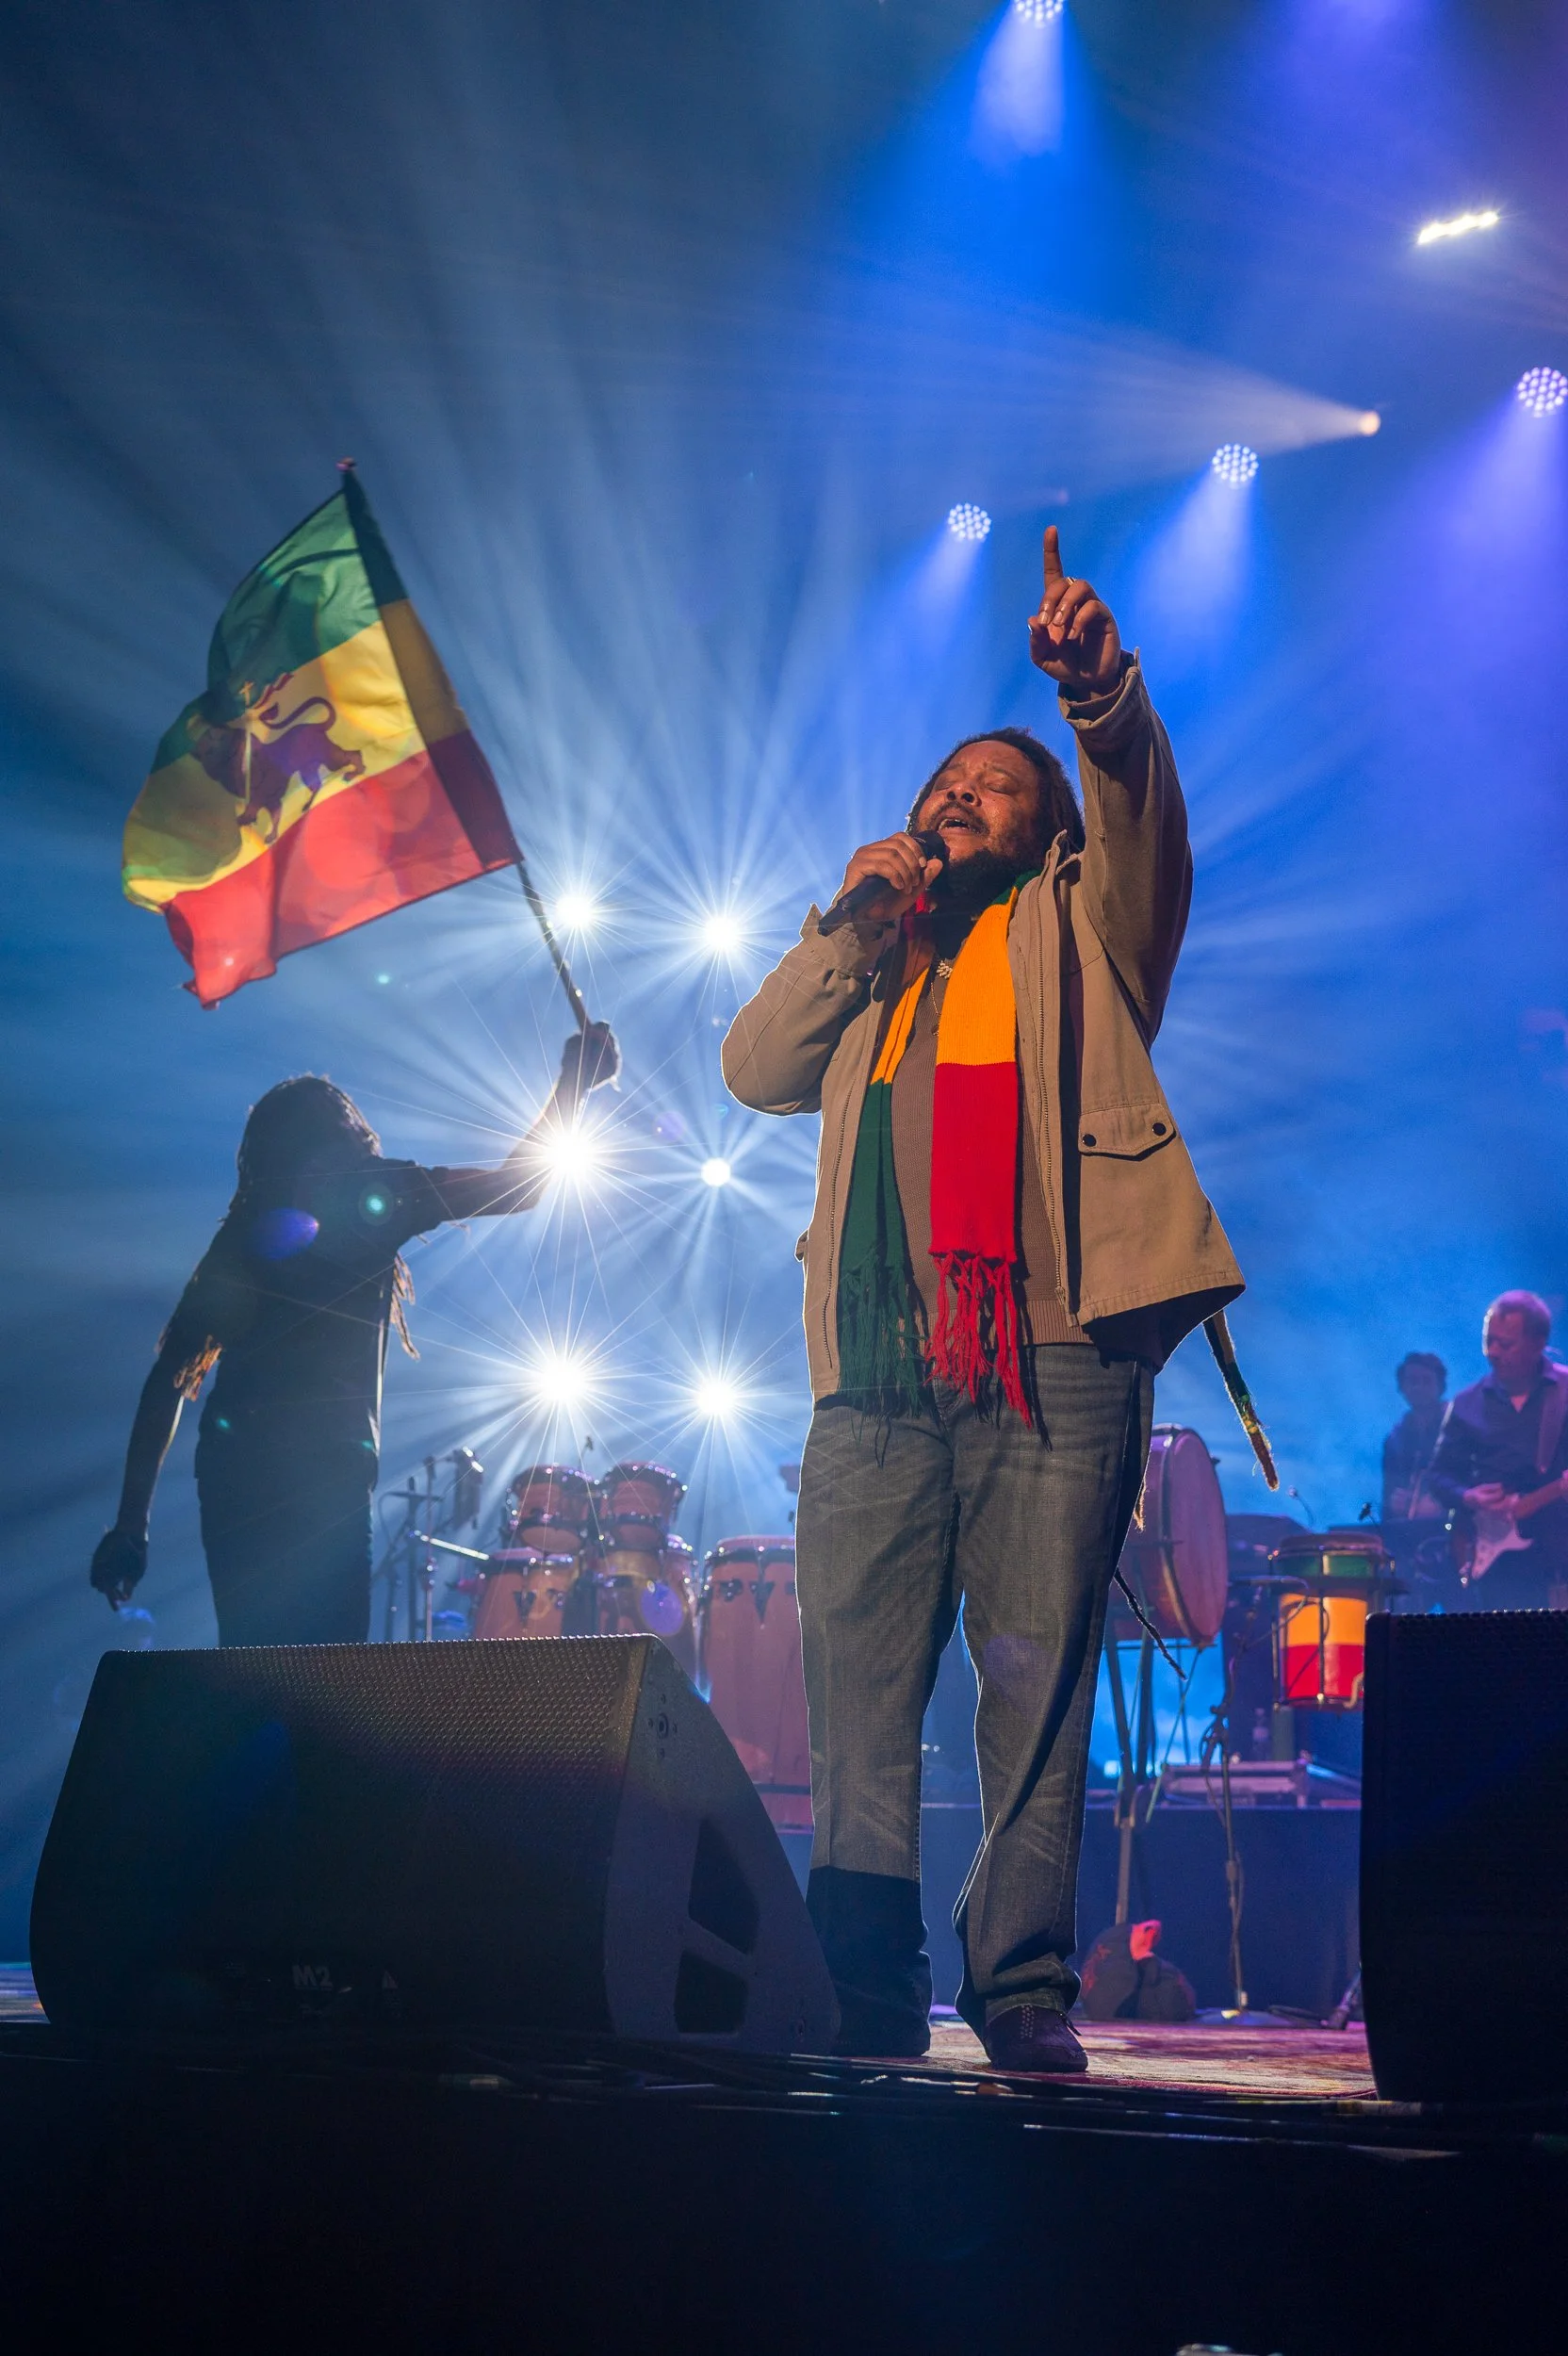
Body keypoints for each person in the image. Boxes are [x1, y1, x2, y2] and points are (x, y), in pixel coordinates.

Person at [722, 527, 1243, 2073]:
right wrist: (843, 923)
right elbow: (751, 1070)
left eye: (989, 785)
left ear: (1040, 828)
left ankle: (1018, 1985)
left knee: (1030, 1683)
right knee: (858, 1690)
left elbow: (1138, 819)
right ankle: (861, 1980)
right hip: (870, 1373)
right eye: (938, 784)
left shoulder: (1082, 925)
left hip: (1052, 1352)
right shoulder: (871, 960)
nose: (954, 798)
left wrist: (1100, 707)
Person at [90, 1023, 619, 1644]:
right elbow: (520, 1184)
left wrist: (132, 1525)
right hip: (327, 1471)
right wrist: (573, 1086)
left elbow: (169, 1379)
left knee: (250, 1662)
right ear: (348, 1132)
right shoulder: (377, 1190)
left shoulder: (243, 1233)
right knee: (327, 1674)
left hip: (238, 1466)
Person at [1426, 1291, 1568, 1612]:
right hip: (1497, 1564)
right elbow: (1439, 1476)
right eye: (1488, 1341)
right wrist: (1468, 1496)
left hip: (1560, 1551)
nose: (1493, 1352)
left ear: (1538, 1342)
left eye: (1506, 1344)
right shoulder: (1467, 1404)